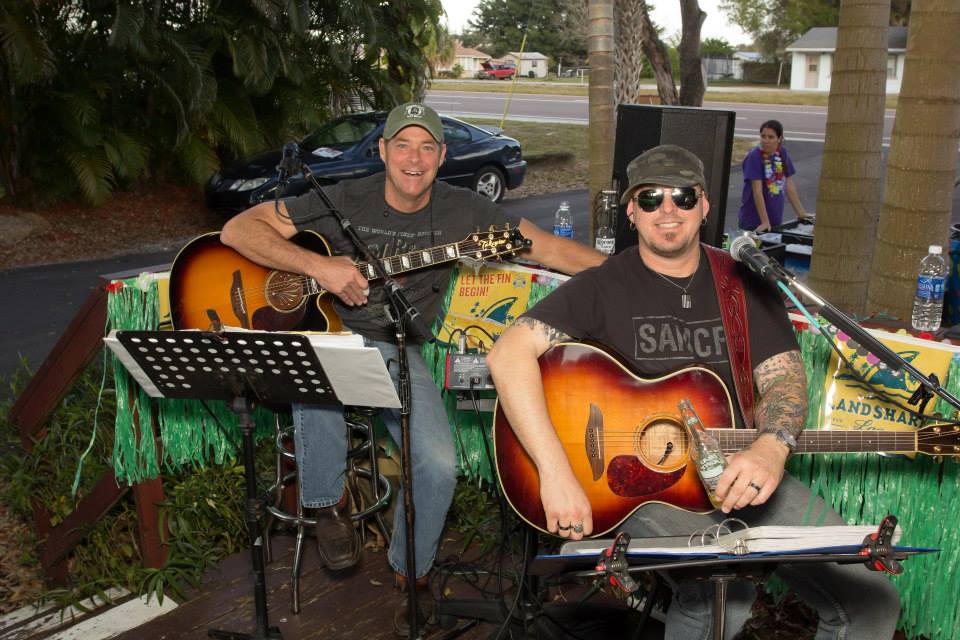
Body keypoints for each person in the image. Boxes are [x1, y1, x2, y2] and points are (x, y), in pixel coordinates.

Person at [220, 102, 606, 637]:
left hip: (398, 346)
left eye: (427, 147)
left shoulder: (464, 211)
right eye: (402, 144)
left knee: (438, 464)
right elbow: (239, 230)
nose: (414, 158)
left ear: (443, 156)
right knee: (318, 362)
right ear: (382, 152)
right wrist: (319, 266)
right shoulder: (343, 197)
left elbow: (551, 248)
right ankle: (326, 505)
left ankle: (411, 573)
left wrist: (631, 272)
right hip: (330, 336)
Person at [487, 145, 901, 639]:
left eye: (683, 197)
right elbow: (507, 355)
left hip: (740, 468)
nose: (668, 209)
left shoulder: (742, 281)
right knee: (719, 596)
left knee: (871, 601)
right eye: (651, 197)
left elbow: (784, 377)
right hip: (633, 485)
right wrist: (555, 473)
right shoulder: (604, 285)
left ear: (705, 206)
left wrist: (770, 447)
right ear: (631, 211)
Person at [738, 119, 809, 233]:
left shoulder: (782, 153)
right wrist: (764, 221)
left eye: (771, 137)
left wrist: (801, 213)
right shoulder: (754, 157)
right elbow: (757, 192)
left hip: (775, 221)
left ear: (779, 138)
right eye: (763, 136)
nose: (766, 141)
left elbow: (789, 186)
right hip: (754, 222)